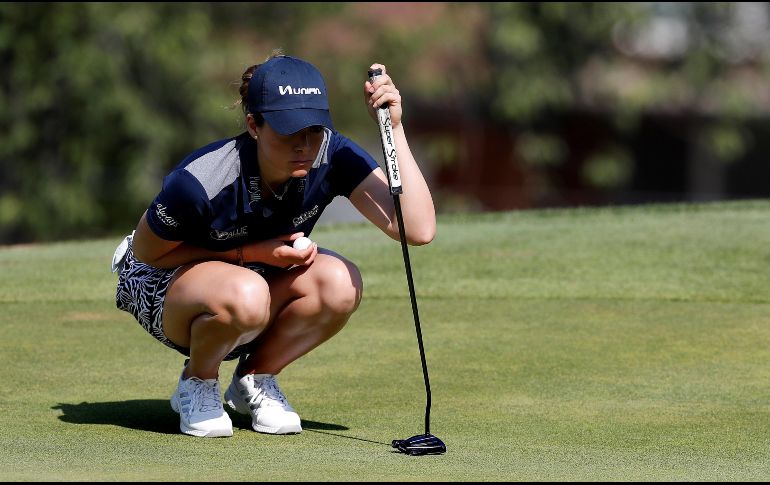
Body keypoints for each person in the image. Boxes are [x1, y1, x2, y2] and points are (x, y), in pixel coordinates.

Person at [111, 52, 436, 438]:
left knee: (339, 282)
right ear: (254, 125)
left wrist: (393, 128)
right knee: (246, 293)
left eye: (313, 129)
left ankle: (253, 379)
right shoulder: (202, 180)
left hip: (253, 282)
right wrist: (250, 254)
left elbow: (416, 229)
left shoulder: (332, 154)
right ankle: (196, 383)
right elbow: (147, 255)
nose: (304, 144)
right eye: (288, 130)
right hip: (160, 283)